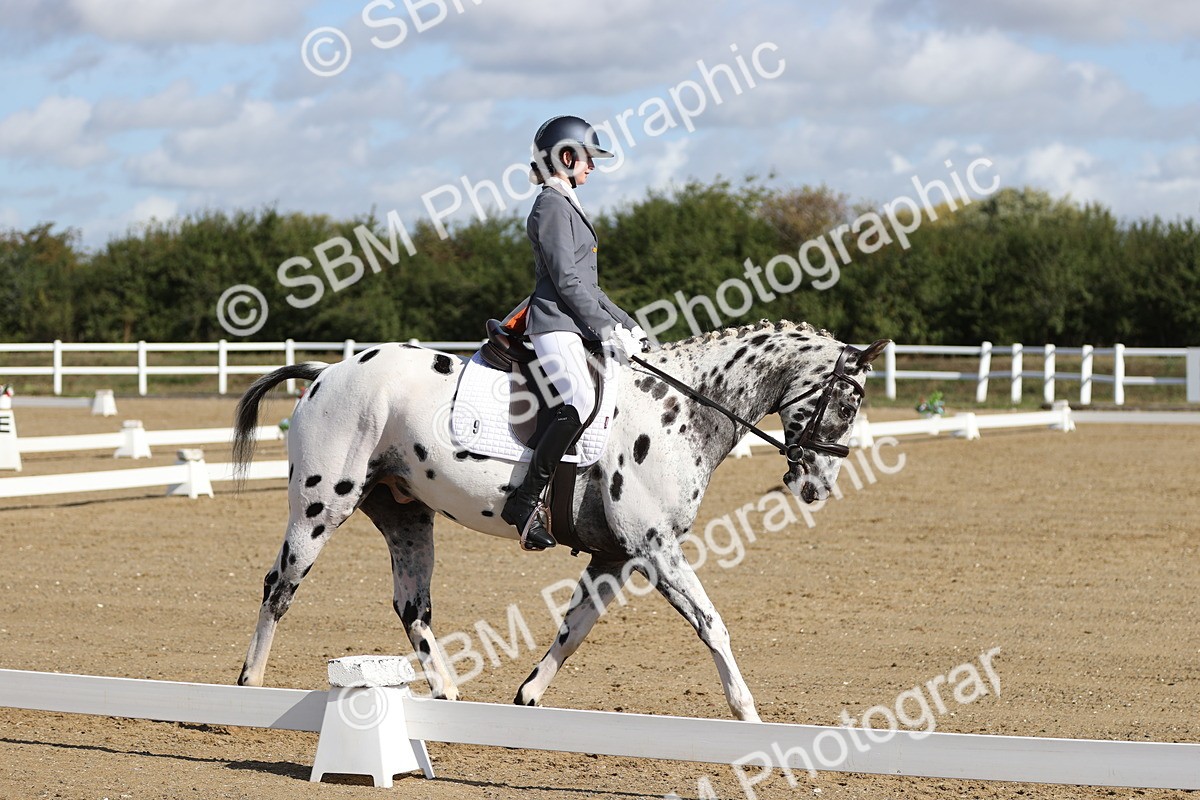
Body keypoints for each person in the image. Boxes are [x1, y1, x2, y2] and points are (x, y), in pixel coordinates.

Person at [500, 115, 648, 551]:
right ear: (567, 158)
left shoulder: (566, 203)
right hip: (553, 323)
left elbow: (590, 287)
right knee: (580, 399)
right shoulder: (550, 205)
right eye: (588, 160)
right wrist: (603, 328)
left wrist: (626, 323)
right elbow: (566, 281)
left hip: (573, 320)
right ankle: (524, 501)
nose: (593, 168)